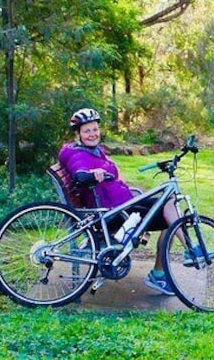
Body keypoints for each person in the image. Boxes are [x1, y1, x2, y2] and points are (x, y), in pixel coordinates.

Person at [58, 107, 177, 295]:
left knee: (170, 203)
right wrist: (90, 174)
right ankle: (175, 263)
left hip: (123, 207)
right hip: (115, 214)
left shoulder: (93, 151)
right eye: (87, 130)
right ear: (78, 134)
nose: (92, 134)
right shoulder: (78, 154)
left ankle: (175, 262)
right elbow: (78, 173)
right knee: (172, 215)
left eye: (95, 129)